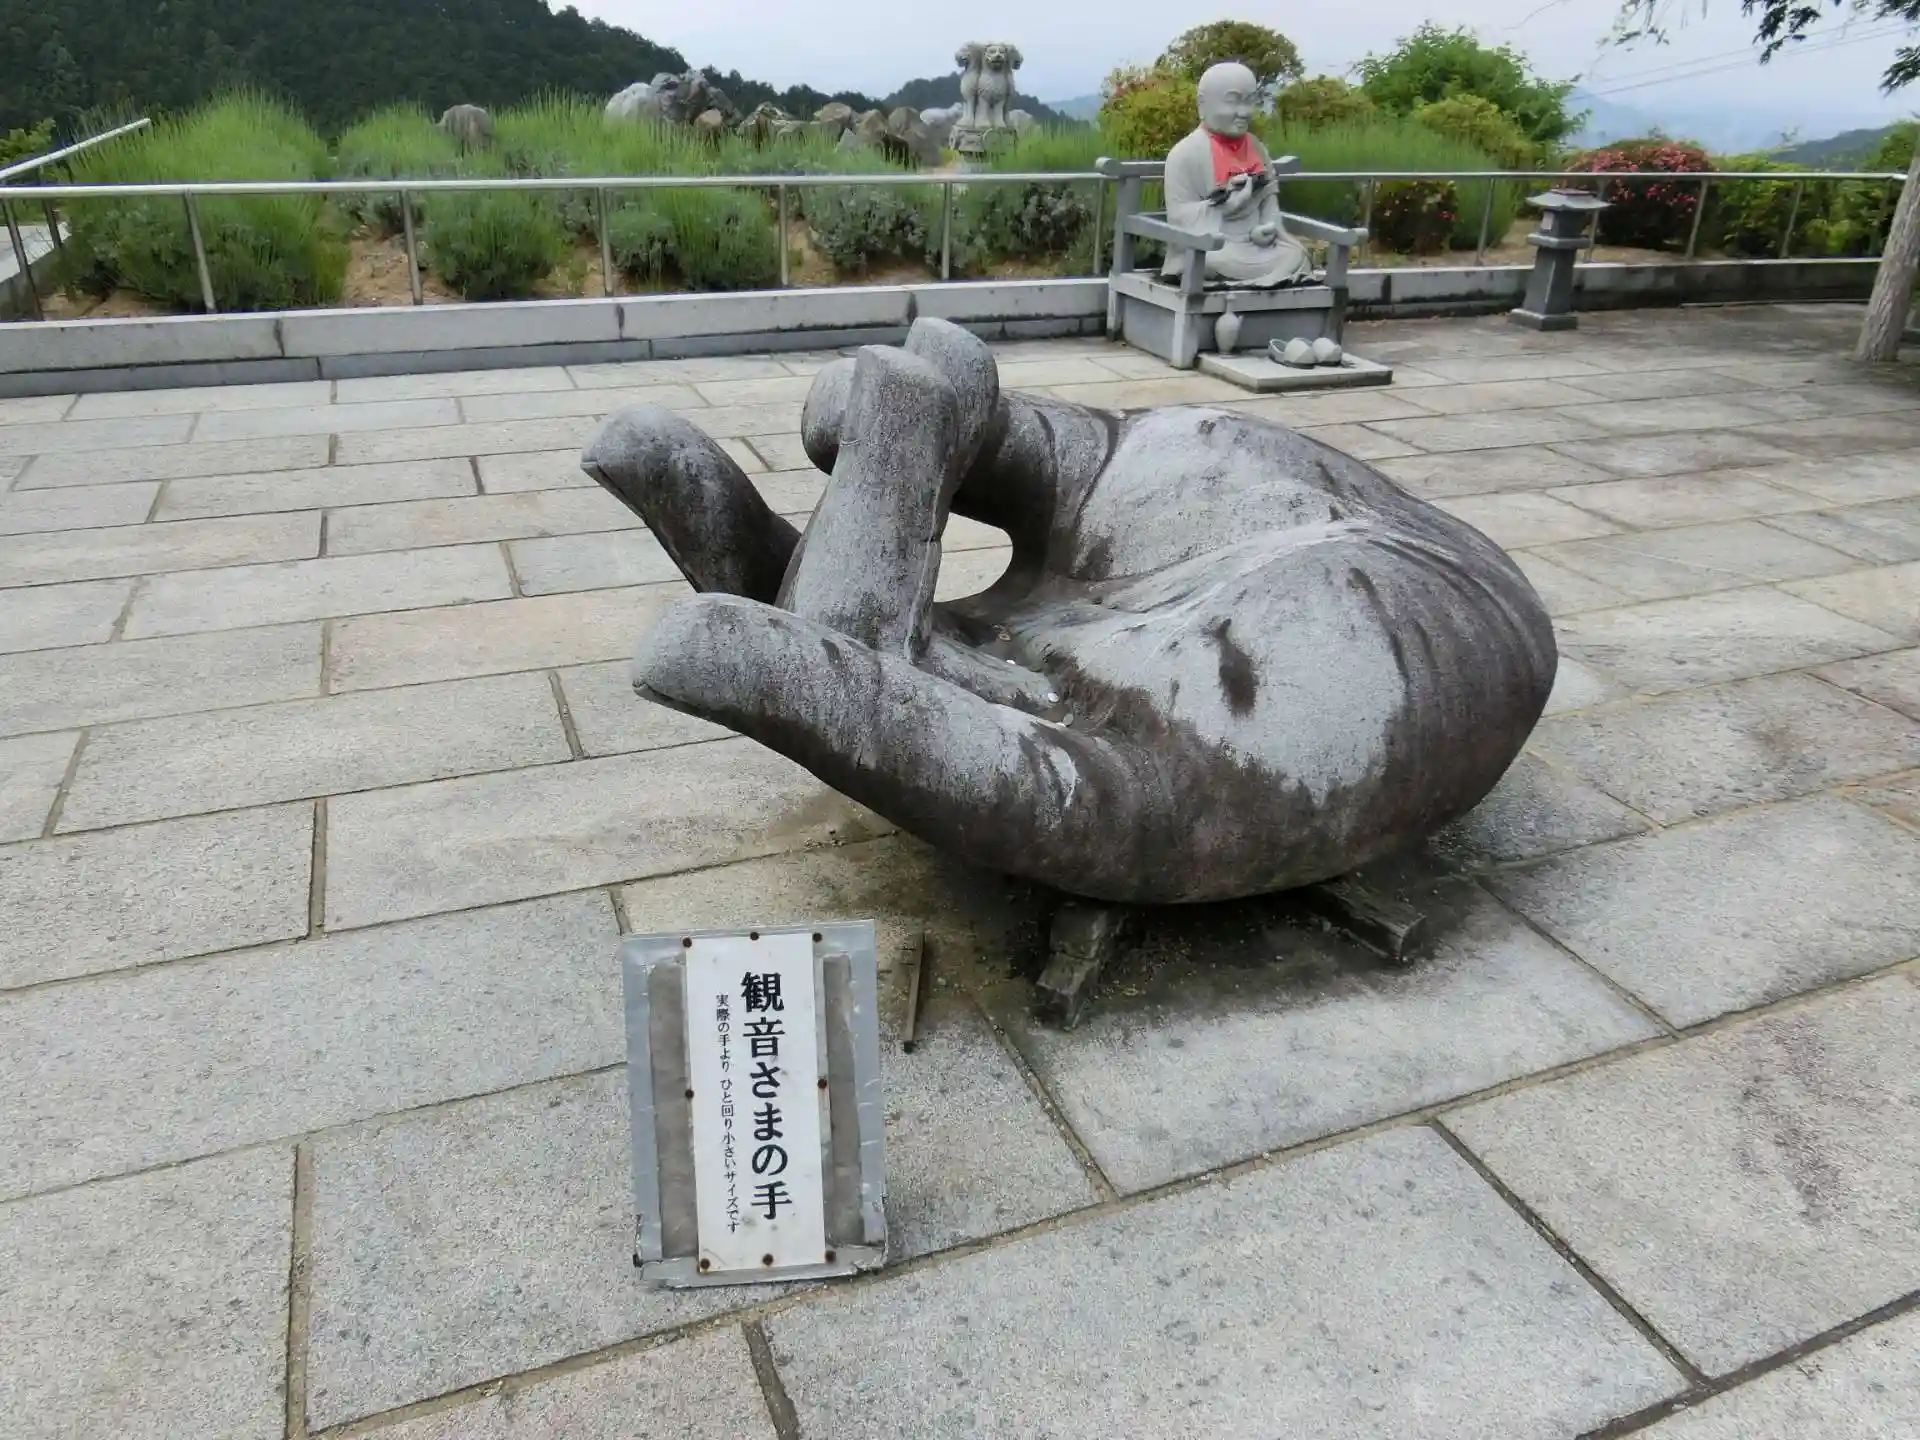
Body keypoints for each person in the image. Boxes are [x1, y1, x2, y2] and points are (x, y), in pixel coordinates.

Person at [1162, 61, 1312, 287]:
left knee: (1295, 253)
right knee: (1208, 258)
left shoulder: (1256, 147)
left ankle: (1255, 281)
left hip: (1255, 246)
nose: (1243, 112)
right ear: (1202, 104)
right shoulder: (1185, 154)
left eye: (1249, 101)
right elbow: (1178, 218)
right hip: (1212, 247)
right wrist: (1225, 207)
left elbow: (1269, 205)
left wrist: (1267, 228)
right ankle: (1262, 280)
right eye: (1232, 102)